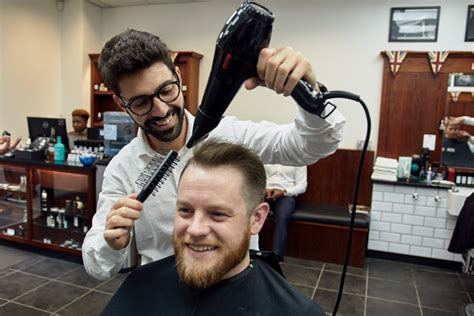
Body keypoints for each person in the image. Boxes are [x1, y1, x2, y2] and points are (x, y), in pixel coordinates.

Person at [82, 29, 345, 280]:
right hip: (165, 293)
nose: (161, 110)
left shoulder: (232, 135)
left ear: (178, 76)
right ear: (120, 103)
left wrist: (307, 92)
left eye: (166, 90)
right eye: (140, 102)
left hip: (238, 289)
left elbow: (315, 144)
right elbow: (97, 266)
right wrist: (111, 242)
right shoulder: (122, 169)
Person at [101, 140, 325, 315]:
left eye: (217, 214)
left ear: (256, 219)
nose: (195, 229)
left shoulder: (299, 312)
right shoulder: (142, 284)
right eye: (185, 211)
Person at [264, 164, 307, 262]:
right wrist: (264, 189)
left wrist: (284, 192)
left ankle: (276, 257)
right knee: (248, 209)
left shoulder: (299, 159)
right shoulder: (267, 154)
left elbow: (302, 185)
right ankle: (250, 250)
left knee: (282, 216)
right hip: (265, 193)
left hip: (286, 195)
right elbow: (258, 177)